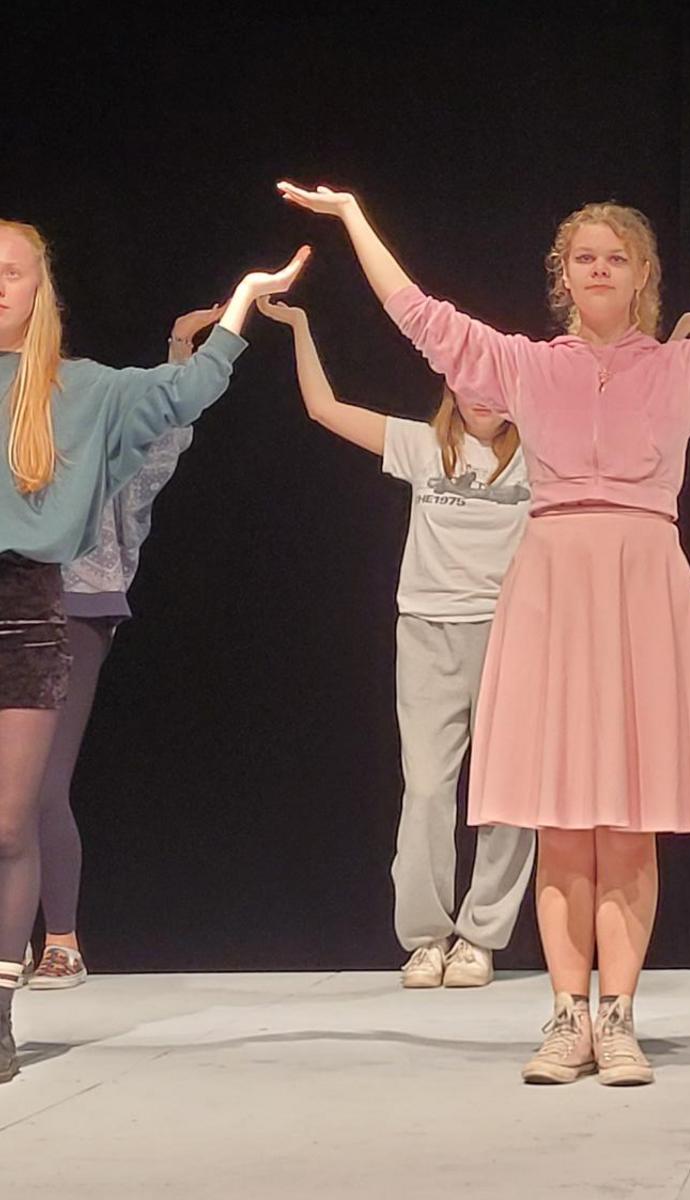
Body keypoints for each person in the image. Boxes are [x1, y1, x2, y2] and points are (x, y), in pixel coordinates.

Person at [278, 154, 690, 1085]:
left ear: (642, 277)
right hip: (551, 587)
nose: (598, 270)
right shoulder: (522, 368)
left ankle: (618, 1017)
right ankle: (562, 1017)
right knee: (559, 819)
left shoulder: (681, 370)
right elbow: (419, 317)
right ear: (562, 277)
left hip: (641, 586)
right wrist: (352, 217)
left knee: (627, 820)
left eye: (616, 257)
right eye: (583, 258)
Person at [0, 218, 308, 1082]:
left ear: (38, 289)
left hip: (32, 604)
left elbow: (181, 399)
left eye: (11, 272)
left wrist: (242, 305)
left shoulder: (81, 389)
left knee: (11, 817)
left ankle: (3, 1009)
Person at [256, 295, 536, 989]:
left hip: (512, 637)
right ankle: (426, 937)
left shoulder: (544, 457)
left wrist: (672, 339)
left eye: (497, 382)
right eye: (470, 380)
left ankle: (481, 938)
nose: (482, 395)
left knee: (508, 797)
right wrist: (300, 325)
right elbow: (325, 409)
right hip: (428, 631)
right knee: (428, 790)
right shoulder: (421, 444)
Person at [27, 303, 225, 990]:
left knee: (41, 782)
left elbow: (162, 434)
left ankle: (61, 940)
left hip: (75, 601)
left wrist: (180, 347)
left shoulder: (89, 393)